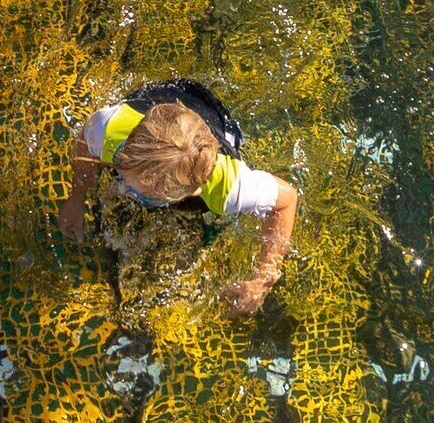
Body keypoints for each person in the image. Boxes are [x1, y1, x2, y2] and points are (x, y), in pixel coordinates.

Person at [53, 80, 301, 314]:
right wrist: (77, 197)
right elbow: (85, 140)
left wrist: (263, 278)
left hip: (213, 117)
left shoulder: (228, 186)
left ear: (189, 191)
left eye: (141, 194)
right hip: (156, 100)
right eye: (123, 167)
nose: (124, 190)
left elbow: (287, 200)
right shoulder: (111, 127)